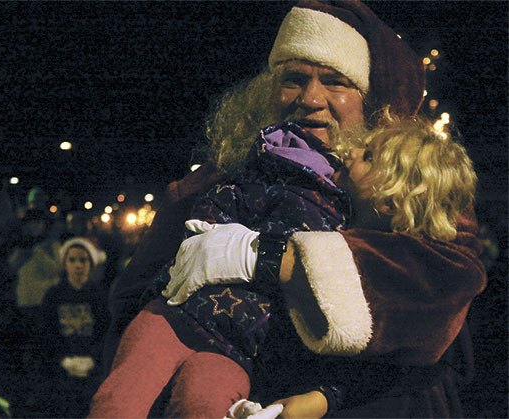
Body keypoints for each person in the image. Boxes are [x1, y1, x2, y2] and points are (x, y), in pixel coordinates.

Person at [105, 1, 487, 417]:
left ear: (370, 99)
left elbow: (439, 301)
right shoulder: (215, 180)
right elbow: (130, 303)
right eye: (294, 79)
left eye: (336, 82)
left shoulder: (411, 182)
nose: (310, 98)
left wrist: (268, 256)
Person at [92, 112, 478, 417]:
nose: (350, 153)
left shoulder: (418, 259)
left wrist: (321, 398)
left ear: (395, 196)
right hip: (195, 329)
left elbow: (393, 365)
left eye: (370, 156)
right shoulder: (302, 189)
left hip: (250, 358)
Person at [41, 237, 108, 418]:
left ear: (91, 264)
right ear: (65, 264)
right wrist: (62, 360)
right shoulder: (53, 295)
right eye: (72, 260)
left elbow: (105, 332)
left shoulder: (99, 296)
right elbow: (46, 333)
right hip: (61, 372)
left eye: (83, 260)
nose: (78, 265)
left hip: (92, 371)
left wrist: (92, 360)